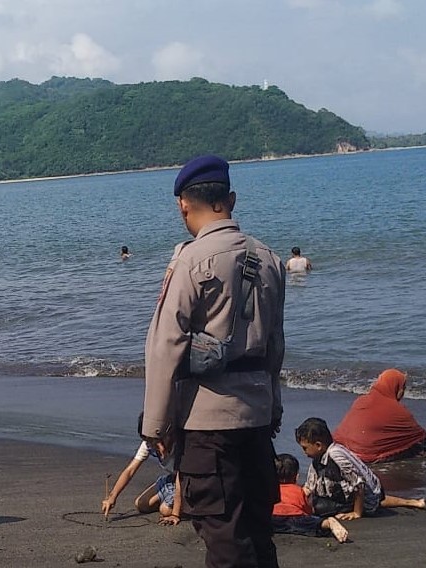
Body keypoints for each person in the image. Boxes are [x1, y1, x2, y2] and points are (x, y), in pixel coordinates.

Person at [142, 155, 286, 568]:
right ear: (232, 199)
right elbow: (276, 345)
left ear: (183, 204)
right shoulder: (269, 260)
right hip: (257, 417)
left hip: (207, 422)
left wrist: (156, 427)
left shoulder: (190, 260)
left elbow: (165, 346)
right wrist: (273, 404)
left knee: (224, 538)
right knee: (260, 535)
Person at [295, 417, 426, 520]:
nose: (303, 452)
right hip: (375, 494)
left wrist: (356, 513)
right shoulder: (319, 456)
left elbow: (359, 484)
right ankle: (412, 502)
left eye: (305, 448)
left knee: (319, 507)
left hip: (367, 499)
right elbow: (309, 487)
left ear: (318, 445)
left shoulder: (335, 455)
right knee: (317, 494)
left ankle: (361, 508)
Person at [101, 413, 182, 525]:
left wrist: (175, 514)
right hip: (171, 480)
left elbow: (180, 477)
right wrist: (112, 497)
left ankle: (190, 505)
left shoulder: (179, 445)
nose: (151, 444)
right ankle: (170, 498)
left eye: (153, 440)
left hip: (185, 482)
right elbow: (130, 471)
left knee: (166, 511)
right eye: (147, 439)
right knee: (141, 504)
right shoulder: (148, 444)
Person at [333, 369, 426, 463]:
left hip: (347, 450)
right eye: (403, 387)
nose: (403, 392)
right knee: (417, 444)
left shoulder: (361, 400)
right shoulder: (397, 409)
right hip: (368, 455)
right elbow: (419, 435)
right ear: (397, 387)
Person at [271, 453, 348, 543]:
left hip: (272, 517)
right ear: (296, 477)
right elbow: (307, 511)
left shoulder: (270, 488)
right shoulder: (298, 490)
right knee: (313, 523)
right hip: (295, 518)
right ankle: (328, 523)